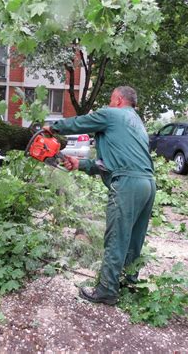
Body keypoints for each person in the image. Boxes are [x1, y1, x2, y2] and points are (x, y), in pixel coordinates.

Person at [44, 86, 156, 305]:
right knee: (134, 238)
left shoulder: (112, 113)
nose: (109, 102)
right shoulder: (136, 123)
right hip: (147, 184)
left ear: (118, 100)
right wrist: (81, 164)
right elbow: (110, 163)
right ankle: (129, 281)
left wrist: (52, 127)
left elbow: (80, 122)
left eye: (111, 99)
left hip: (128, 184)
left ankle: (106, 290)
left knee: (116, 237)